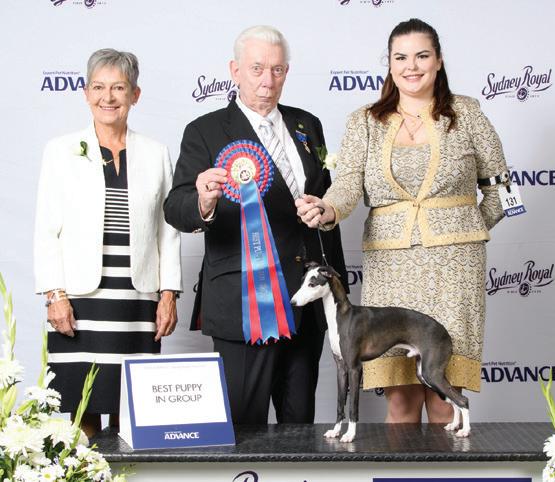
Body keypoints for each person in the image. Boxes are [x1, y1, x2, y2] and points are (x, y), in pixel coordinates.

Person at [296, 18, 507, 424]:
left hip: (455, 271)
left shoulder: (468, 113)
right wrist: (327, 209)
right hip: (391, 267)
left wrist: (466, 232)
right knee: (400, 400)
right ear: (390, 64)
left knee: (444, 394)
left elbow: (502, 189)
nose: (412, 66)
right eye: (401, 57)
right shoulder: (364, 120)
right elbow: (347, 184)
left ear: (439, 61)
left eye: (422, 56)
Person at [163, 25, 347, 425]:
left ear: (287, 72)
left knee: (300, 430)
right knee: (244, 431)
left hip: (308, 300)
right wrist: (204, 202)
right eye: (257, 68)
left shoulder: (307, 124)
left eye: (277, 70)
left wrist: (324, 210)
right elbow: (175, 207)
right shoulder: (205, 131)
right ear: (235, 70)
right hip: (244, 305)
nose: (268, 81)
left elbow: (328, 195)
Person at [34, 48, 182, 437]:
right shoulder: (60, 150)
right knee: (82, 406)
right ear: (86, 93)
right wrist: (54, 295)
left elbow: (167, 230)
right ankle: (87, 468)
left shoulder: (156, 152)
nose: (108, 97)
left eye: (118, 87)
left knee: (130, 407)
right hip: (79, 298)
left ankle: (127, 469)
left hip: (137, 298)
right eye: (99, 87)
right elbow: (46, 230)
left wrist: (168, 294)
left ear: (135, 94)